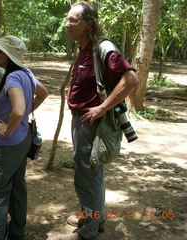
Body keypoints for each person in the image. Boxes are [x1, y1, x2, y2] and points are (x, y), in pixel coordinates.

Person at [49, 2, 139, 240]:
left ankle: (88, 230)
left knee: (86, 175)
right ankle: (94, 220)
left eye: (73, 20)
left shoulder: (103, 47)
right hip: (82, 121)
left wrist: (100, 108)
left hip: (90, 122)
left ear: (89, 23)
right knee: (91, 174)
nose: (67, 24)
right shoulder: (84, 47)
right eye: (67, 20)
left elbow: (131, 80)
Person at [0, 35, 48, 240]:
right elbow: (43, 93)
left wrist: (7, 129)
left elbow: (19, 110)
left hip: (7, 145)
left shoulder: (12, 78)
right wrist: (19, 123)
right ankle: (17, 233)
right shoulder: (26, 73)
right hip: (23, 141)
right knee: (18, 187)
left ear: (8, 56)